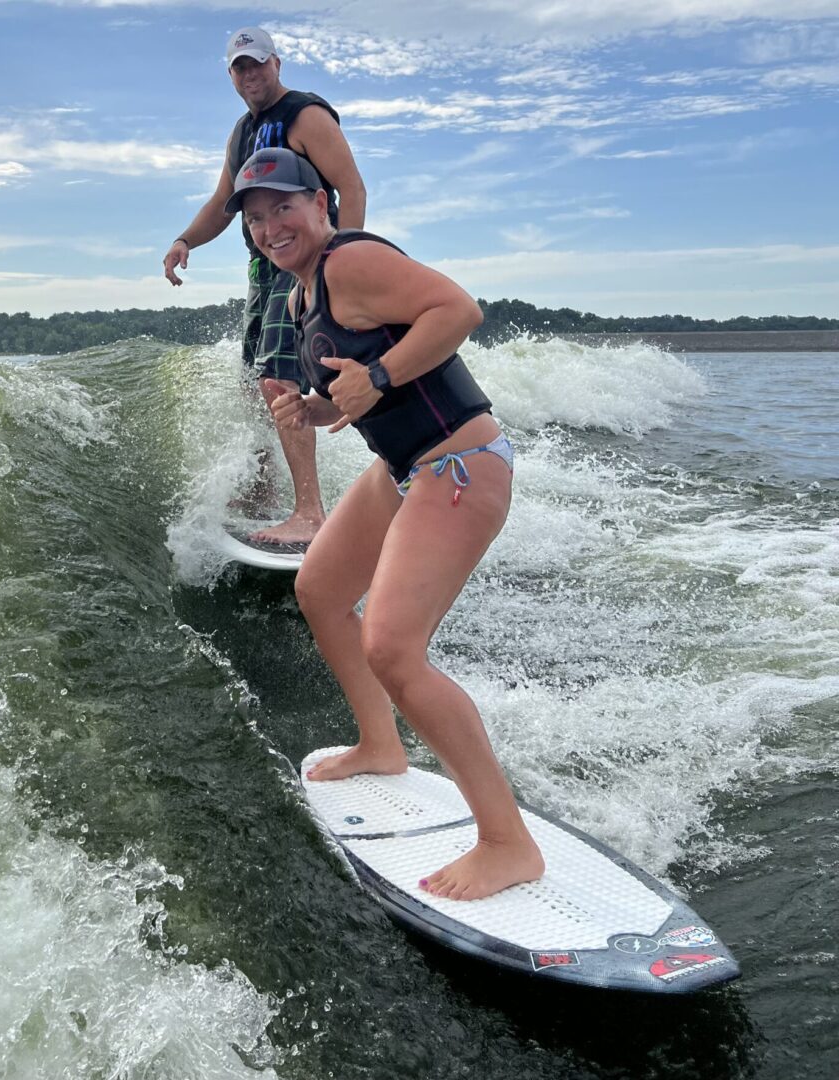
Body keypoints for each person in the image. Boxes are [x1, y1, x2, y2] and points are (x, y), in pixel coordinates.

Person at [224, 146, 545, 901]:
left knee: (395, 649)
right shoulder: (303, 299)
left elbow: (457, 310)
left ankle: (507, 842)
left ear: (322, 204)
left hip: (461, 467)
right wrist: (319, 406)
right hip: (404, 471)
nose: (272, 226)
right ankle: (380, 745)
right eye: (256, 217)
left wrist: (379, 376)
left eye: (285, 207)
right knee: (322, 587)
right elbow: (358, 391)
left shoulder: (349, 262)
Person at [163, 26, 366, 545]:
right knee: (255, 387)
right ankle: (263, 488)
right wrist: (186, 240)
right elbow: (220, 205)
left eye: (257, 63)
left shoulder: (305, 115)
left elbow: (351, 188)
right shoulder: (242, 133)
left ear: (276, 64)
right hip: (263, 270)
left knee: (279, 379)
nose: (250, 74)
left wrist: (344, 263)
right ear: (231, 75)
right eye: (240, 67)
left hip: (305, 262)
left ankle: (309, 512)